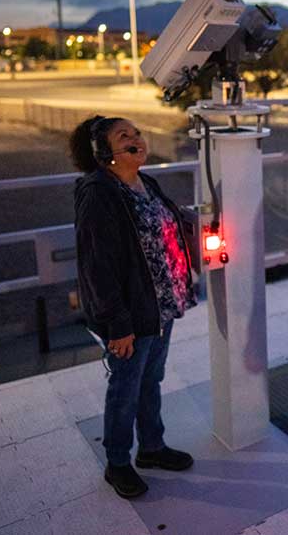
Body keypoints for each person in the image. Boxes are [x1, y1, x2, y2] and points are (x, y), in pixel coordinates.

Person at [70, 115, 197, 499]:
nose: (136, 139)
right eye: (124, 136)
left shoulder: (146, 183)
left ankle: (153, 448)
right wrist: (117, 325)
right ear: (105, 152)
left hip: (159, 304)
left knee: (150, 379)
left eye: (137, 133)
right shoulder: (99, 194)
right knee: (125, 387)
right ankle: (118, 463)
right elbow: (97, 267)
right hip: (129, 314)